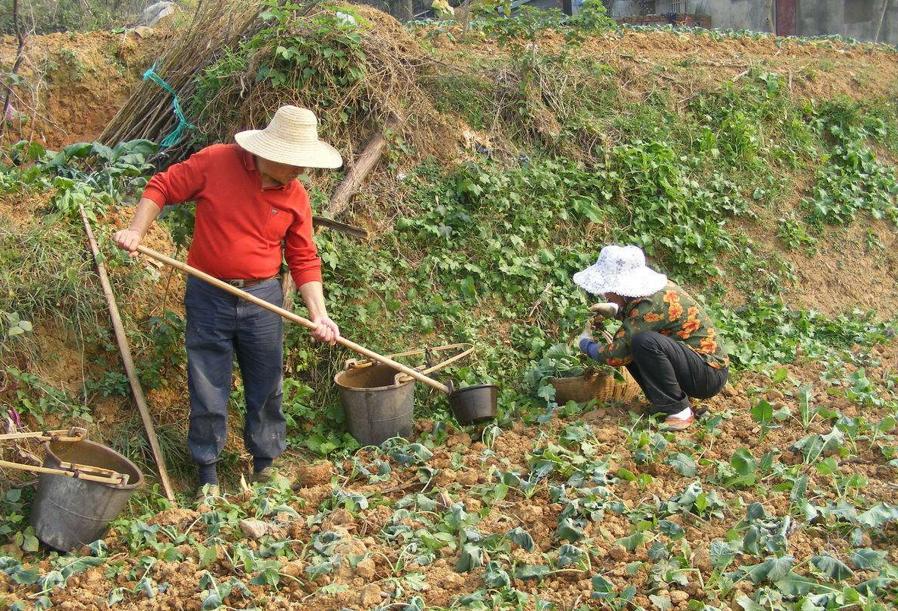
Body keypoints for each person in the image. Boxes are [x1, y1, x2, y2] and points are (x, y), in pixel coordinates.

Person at [114, 106, 342, 495]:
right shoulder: (216, 162)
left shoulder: (295, 196)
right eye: (295, 163)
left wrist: (320, 316)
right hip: (208, 294)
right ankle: (207, 475)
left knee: (267, 384)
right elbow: (161, 187)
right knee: (207, 385)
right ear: (270, 152)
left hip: (263, 299)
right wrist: (136, 231)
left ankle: (265, 466)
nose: (301, 171)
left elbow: (303, 258)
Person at [573, 245, 729, 430]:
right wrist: (616, 310)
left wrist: (587, 345)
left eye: (609, 289)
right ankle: (671, 403)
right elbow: (641, 318)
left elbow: (615, 354)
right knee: (634, 344)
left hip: (708, 373)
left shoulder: (649, 303)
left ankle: (679, 411)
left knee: (641, 343)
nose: (605, 294)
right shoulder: (649, 295)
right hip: (697, 366)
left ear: (622, 288)